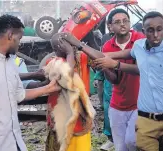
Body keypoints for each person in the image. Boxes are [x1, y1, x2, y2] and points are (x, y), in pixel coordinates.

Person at [94, 11, 163, 151]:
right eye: (151, 30)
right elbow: (129, 53)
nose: (156, 35)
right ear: (144, 31)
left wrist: (114, 63)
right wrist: (106, 56)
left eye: (159, 29)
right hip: (145, 119)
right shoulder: (139, 46)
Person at [0, 14, 61, 151]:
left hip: (12, 142)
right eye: (19, 39)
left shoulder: (10, 63)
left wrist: (49, 88)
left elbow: (18, 94)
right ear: (10, 35)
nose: (20, 43)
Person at [61, 8, 145, 151]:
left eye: (125, 21)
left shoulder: (140, 39)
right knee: (120, 147)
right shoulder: (107, 46)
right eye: (117, 22)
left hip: (140, 104)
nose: (123, 24)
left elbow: (141, 70)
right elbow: (115, 80)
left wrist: (112, 62)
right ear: (110, 27)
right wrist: (104, 67)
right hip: (117, 104)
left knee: (133, 142)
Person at [45, 33, 95, 151]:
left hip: (80, 120)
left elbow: (101, 57)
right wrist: (70, 53)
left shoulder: (82, 57)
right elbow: (68, 78)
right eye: (64, 44)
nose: (69, 46)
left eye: (70, 43)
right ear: (56, 49)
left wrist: (80, 45)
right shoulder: (52, 62)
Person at [93, 19, 114, 151]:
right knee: (108, 111)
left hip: (128, 85)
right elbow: (101, 60)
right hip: (109, 85)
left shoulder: (134, 43)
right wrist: (98, 77)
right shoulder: (107, 41)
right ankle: (111, 139)